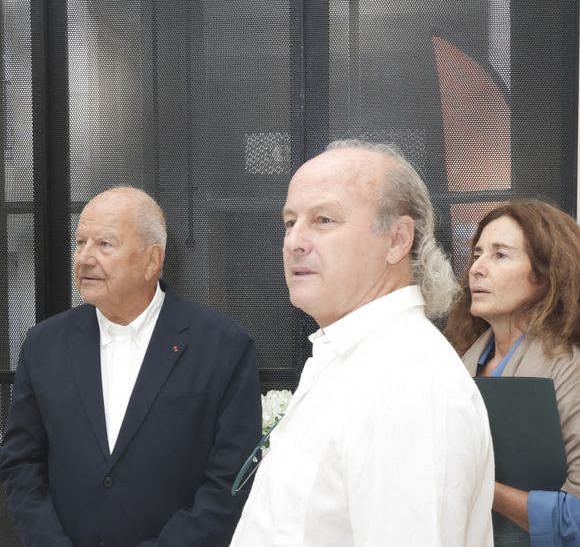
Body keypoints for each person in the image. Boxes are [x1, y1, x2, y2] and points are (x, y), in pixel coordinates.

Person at [230, 139, 495, 547]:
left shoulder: (410, 383)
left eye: (323, 220)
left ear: (397, 240)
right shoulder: (349, 357)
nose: (294, 241)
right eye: (289, 221)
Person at [0, 186, 262, 547]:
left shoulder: (222, 346)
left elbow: (231, 482)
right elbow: (21, 464)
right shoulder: (43, 345)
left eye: (104, 244)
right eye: (80, 243)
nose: (84, 259)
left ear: (152, 260)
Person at [445, 199, 580, 546]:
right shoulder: (457, 362)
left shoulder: (571, 368)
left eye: (500, 255)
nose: (476, 268)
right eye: (477, 254)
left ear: (547, 273)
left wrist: (477, 486)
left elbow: (576, 516)